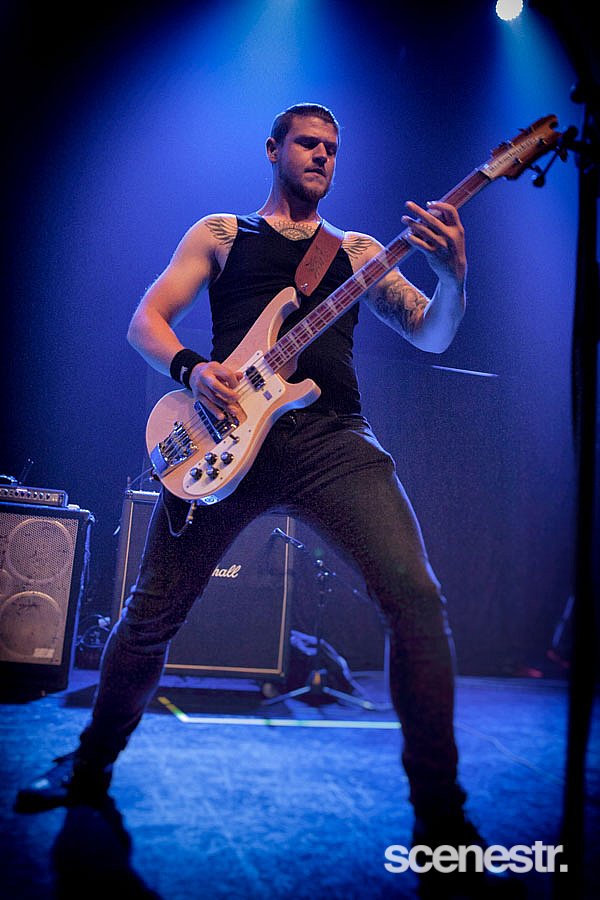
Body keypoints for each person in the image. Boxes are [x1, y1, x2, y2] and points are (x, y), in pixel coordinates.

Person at [16, 103, 513, 896]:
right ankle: (89, 765)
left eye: (333, 148)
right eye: (308, 143)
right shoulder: (221, 234)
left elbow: (431, 333)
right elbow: (146, 320)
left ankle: (442, 824)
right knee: (149, 617)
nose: (322, 156)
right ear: (274, 149)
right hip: (222, 441)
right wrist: (191, 369)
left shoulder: (357, 252)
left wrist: (454, 277)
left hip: (331, 438)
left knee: (417, 600)